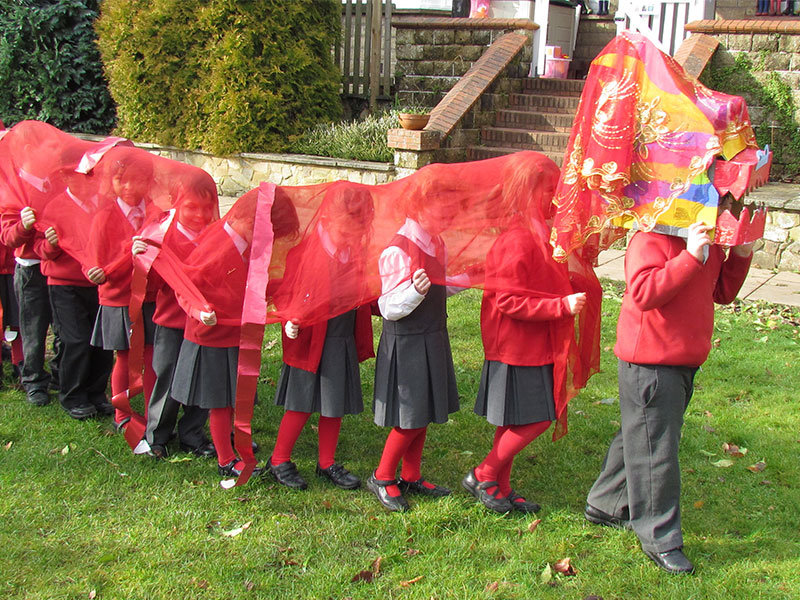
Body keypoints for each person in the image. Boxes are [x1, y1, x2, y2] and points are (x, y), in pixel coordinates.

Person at [584, 213, 753, 574]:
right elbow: (644, 292)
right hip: (652, 359)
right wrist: (690, 255)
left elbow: (721, 292)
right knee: (656, 448)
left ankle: (606, 503)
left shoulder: (705, 235)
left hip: (683, 357)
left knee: (644, 433)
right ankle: (660, 536)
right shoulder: (652, 235)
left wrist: (740, 254)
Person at [463, 155, 589, 514]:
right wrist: (559, 307)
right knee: (536, 417)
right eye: (550, 191)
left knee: (515, 419)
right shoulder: (516, 240)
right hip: (516, 347)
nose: (555, 198)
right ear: (528, 194)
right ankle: (484, 474)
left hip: (531, 344)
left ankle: (500, 488)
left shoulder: (536, 234)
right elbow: (507, 300)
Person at [269, 183, 375, 490]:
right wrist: (289, 318)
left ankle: (327, 462)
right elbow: (286, 292)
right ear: (328, 219)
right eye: (346, 229)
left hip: (339, 339)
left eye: (358, 229)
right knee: (300, 403)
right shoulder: (304, 253)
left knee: (334, 401)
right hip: (309, 340)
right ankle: (279, 459)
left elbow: (362, 294)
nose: (351, 236)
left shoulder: (354, 254)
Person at [367, 186, 464, 512]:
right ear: (420, 209)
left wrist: (467, 279)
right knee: (409, 415)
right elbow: (388, 306)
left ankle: (411, 474)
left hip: (431, 335)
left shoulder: (434, 241)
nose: (447, 220)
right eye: (442, 213)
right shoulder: (399, 250)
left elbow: (439, 286)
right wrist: (414, 292)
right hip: (407, 341)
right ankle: (382, 476)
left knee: (422, 410)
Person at [133, 172, 218, 459]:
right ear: (176, 205)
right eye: (191, 207)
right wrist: (140, 258)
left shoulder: (215, 237)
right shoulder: (162, 236)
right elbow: (150, 286)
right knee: (167, 379)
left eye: (206, 208)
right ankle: (157, 434)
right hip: (171, 322)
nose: (199, 215)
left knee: (201, 380)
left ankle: (193, 433)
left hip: (204, 325)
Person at [35, 152, 114, 420]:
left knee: (101, 342)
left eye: (89, 176)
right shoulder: (56, 207)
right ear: (66, 178)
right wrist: (51, 244)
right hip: (65, 284)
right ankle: (73, 396)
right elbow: (41, 249)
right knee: (76, 339)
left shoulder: (104, 205)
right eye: (79, 176)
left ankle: (95, 392)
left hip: (99, 282)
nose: (85, 181)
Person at [86, 150, 158, 435]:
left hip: (151, 296)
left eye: (137, 181)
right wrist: (128, 255)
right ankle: (122, 413)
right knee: (125, 357)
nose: (129, 188)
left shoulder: (156, 212)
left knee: (153, 356)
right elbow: (99, 268)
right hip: (119, 297)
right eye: (121, 180)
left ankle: (154, 413)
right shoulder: (104, 217)